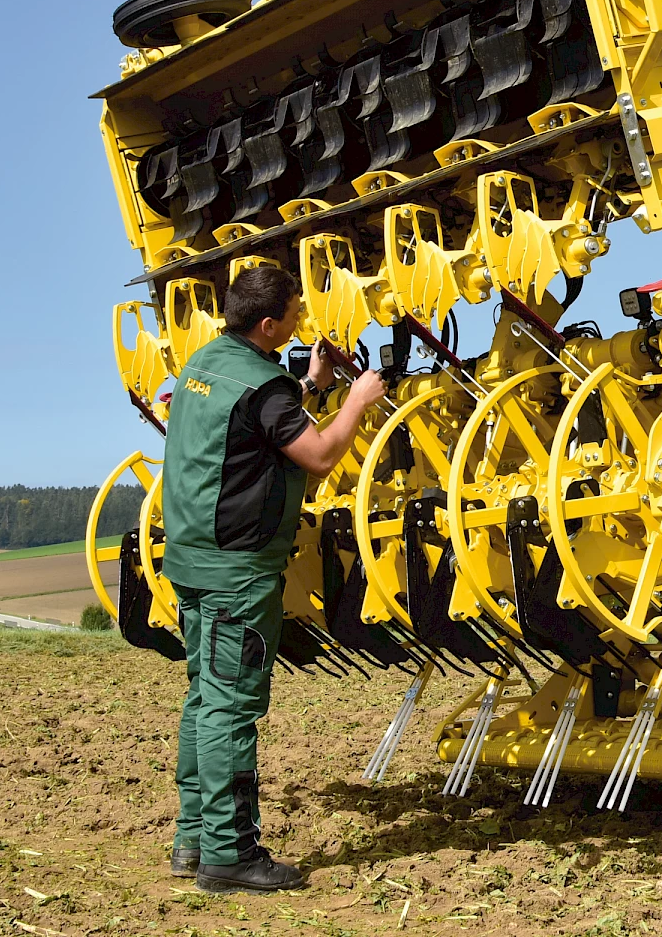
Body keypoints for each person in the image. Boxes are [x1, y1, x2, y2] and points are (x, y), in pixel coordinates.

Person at [160, 266, 385, 893]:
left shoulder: (208, 363)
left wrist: (308, 386)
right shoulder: (263, 386)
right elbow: (316, 456)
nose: (299, 322)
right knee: (232, 707)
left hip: (192, 558)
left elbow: (254, 426)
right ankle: (230, 855)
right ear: (269, 325)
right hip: (238, 570)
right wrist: (357, 402)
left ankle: (192, 840)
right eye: (293, 314)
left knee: (205, 696)